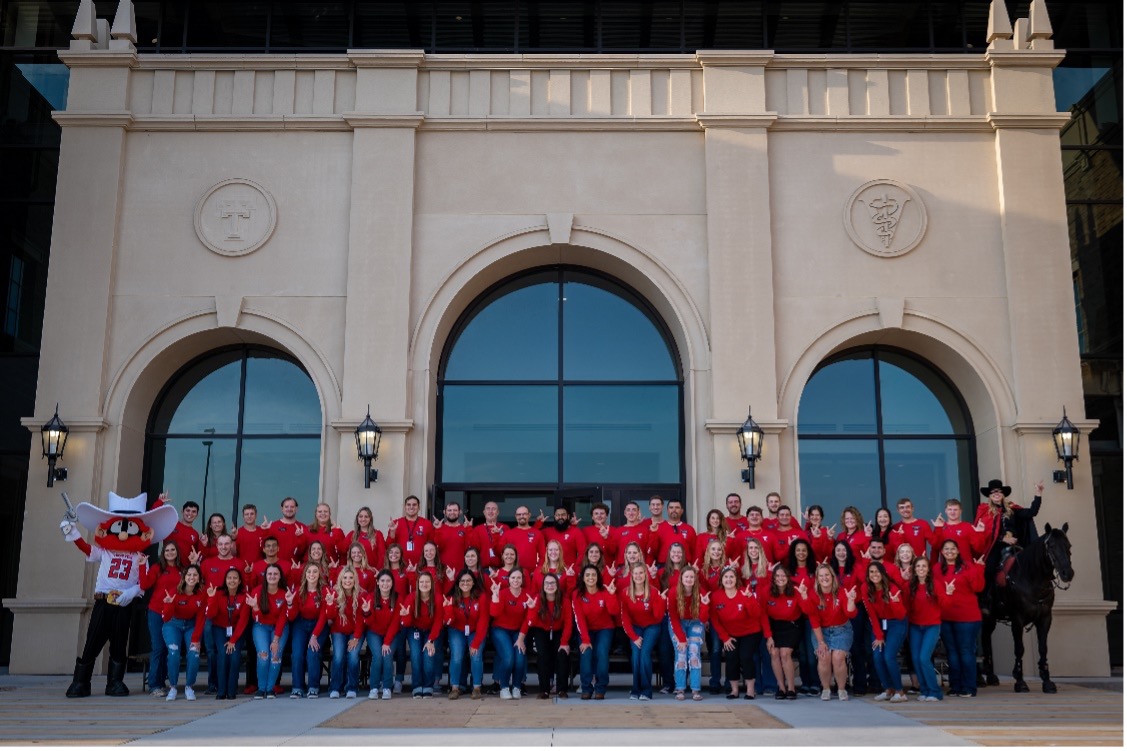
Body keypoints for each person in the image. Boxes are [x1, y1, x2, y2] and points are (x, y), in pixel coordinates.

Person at [935, 541, 986, 698]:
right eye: (946, 549)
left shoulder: (968, 566)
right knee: (952, 653)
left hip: (967, 617)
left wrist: (979, 569)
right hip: (945, 617)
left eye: (952, 549)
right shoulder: (936, 569)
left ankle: (969, 687)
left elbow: (979, 587)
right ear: (942, 552)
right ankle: (955, 686)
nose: (949, 552)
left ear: (957, 551)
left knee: (965, 651)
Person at [711, 566, 770, 700]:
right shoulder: (716, 596)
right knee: (731, 657)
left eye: (732, 576)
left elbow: (756, 614)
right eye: (726, 577)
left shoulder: (745, 592)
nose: (729, 579)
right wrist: (725, 638)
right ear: (721, 579)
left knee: (745, 656)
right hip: (730, 634)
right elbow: (715, 620)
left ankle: (750, 690)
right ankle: (734, 690)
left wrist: (749, 599)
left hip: (750, 632)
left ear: (736, 579)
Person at [800, 563, 857, 701]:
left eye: (827, 575)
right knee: (823, 656)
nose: (824, 578)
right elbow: (813, 618)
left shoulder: (842, 591)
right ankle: (826, 688)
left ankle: (841, 689)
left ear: (832, 577)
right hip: (821, 631)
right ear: (817, 579)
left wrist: (851, 600)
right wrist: (821, 642)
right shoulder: (813, 595)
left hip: (841, 629)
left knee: (838, 657)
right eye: (821, 576)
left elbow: (851, 614)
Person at [976, 479, 1044, 587]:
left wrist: (1038, 494)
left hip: (1014, 543)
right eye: (993, 492)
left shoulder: (1012, 509)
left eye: (999, 491)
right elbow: (985, 531)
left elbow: (1032, 512)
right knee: (989, 569)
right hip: (995, 545)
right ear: (989, 496)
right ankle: (988, 598)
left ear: (1003, 494)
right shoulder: (984, 510)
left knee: (1031, 563)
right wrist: (1002, 539)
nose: (996, 494)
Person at [520, 572, 573, 700]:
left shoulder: (564, 600)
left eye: (553, 583)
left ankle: (562, 689)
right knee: (543, 656)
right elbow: (531, 622)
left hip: (559, 631)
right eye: (547, 583)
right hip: (541, 630)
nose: (550, 586)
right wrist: (532, 609)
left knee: (562, 654)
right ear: (543, 586)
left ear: (557, 585)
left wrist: (564, 642)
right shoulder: (538, 599)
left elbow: (568, 623)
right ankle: (544, 690)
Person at [242, 562, 290, 699]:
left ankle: (269, 689)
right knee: (263, 656)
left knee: (275, 656)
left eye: (275, 574)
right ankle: (261, 688)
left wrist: (276, 640)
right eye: (269, 573)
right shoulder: (257, 591)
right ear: (265, 576)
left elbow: (282, 619)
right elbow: (257, 618)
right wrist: (256, 608)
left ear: (280, 576)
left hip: (279, 628)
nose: (272, 576)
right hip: (261, 626)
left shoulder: (284, 593)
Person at [316, 567, 365, 699]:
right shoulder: (334, 594)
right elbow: (330, 617)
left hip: (355, 632)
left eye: (350, 578)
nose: (347, 580)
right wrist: (331, 603)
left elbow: (360, 621)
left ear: (355, 580)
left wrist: (356, 638)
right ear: (340, 580)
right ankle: (336, 687)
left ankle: (352, 687)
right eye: (345, 578)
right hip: (338, 631)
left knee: (353, 656)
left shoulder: (361, 595)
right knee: (338, 656)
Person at [140, 540, 182, 696]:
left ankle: (162, 681)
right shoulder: (158, 568)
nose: (170, 553)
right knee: (158, 648)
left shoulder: (182, 571)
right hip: (156, 612)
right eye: (167, 550)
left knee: (168, 648)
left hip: (173, 614)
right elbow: (144, 585)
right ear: (163, 553)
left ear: (177, 552)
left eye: (173, 550)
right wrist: (141, 565)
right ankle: (154, 685)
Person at [618, 562, 665, 700]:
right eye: (635, 573)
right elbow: (624, 619)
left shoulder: (654, 591)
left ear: (646, 575)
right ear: (631, 575)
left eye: (641, 573)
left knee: (645, 653)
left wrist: (660, 602)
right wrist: (634, 637)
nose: (638, 576)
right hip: (635, 627)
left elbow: (657, 617)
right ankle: (635, 689)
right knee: (635, 654)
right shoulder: (625, 593)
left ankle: (646, 690)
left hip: (652, 626)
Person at [863, 562, 908, 703]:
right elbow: (872, 615)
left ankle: (900, 692)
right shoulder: (866, 588)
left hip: (896, 623)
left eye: (877, 572)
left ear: (883, 573)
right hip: (880, 625)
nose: (874, 575)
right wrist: (879, 636)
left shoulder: (892, 588)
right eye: (871, 572)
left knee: (889, 656)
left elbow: (901, 615)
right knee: (877, 656)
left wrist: (894, 602)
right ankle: (888, 689)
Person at [573, 564, 620, 700]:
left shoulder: (604, 590)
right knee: (586, 652)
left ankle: (601, 688)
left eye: (593, 575)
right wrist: (586, 640)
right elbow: (579, 618)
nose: (591, 577)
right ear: (582, 578)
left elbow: (614, 611)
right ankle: (586, 688)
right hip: (585, 629)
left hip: (604, 628)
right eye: (587, 575)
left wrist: (611, 595)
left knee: (601, 653)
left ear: (598, 577)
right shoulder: (577, 594)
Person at [161, 564, 207, 701]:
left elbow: (201, 619)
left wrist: (196, 639)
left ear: (199, 578)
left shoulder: (201, 595)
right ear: (184, 577)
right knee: (174, 653)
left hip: (191, 626)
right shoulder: (173, 591)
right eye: (189, 575)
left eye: (195, 575)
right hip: (173, 624)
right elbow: (166, 617)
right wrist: (169, 604)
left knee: (194, 653)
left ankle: (189, 686)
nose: (192, 577)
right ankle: (173, 687)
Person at [444, 569, 489, 700]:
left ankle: (476, 687)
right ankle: (455, 687)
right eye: (462, 581)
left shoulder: (481, 596)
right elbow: (449, 621)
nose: (465, 583)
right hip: (456, 630)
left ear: (473, 583)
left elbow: (483, 620)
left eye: (468, 580)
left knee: (476, 655)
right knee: (457, 656)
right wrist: (447, 608)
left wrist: (475, 643)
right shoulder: (452, 597)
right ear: (458, 583)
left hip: (475, 630)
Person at [206, 566, 249, 700]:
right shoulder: (218, 593)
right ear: (225, 580)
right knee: (223, 655)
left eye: (235, 578)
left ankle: (231, 690)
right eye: (229, 578)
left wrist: (233, 640)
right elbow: (211, 614)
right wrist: (211, 598)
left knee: (235, 656)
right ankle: (221, 690)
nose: (232, 580)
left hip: (236, 631)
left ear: (240, 581)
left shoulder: (244, 597)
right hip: (219, 628)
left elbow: (243, 621)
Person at [287, 562, 329, 698]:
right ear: (305, 574)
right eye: (309, 571)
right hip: (300, 624)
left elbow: (324, 615)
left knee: (313, 653)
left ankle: (313, 686)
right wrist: (289, 603)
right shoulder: (299, 591)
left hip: (319, 625)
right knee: (297, 655)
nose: (312, 574)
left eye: (315, 572)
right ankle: (297, 686)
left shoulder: (324, 591)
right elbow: (292, 616)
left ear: (319, 574)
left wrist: (315, 635)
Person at [667, 566, 709, 701]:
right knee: (681, 653)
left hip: (695, 622)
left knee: (694, 653)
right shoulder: (673, 592)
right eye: (686, 577)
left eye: (692, 577)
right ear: (681, 579)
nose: (689, 579)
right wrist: (681, 638)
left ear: (695, 579)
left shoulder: (701, 592)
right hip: (678, 622)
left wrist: (705, 604)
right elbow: (673, 617)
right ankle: (680, 688)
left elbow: (703, 618)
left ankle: (695, 689)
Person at [906, 556, 943, 701]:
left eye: (924, 566)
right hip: (915, 627)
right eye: (918, 566)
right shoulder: (911, 586)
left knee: (923, 658)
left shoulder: (935, 584)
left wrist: (948, 593)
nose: (921, 569)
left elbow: (944, 604)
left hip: (932, 626)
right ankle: (925, 690)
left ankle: (935, 691)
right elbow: (907, 608)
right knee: (915, 658)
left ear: (928, 570)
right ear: (914, 570)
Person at [402, 569, 443, 698]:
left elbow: (438, 621)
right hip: (415, 630)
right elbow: (407, 623)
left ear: (431, 584)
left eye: (427, 582)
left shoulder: (437, 598)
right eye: (422, 582)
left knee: (428, 655)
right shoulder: (411, 597)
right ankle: (417, 686)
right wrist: (405, 616)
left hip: (431, 631)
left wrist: (430, 640)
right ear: (418, 584)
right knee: (415, 656)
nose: (424, 584)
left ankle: (428, 686)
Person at [489, 567, 528, 699]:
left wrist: (521, 638)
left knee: (520, 656)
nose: (516, 580)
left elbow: (528, 619)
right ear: (508, 580)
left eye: (518, 578)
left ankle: (517, 686)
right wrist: (495, 595)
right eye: (513, 578)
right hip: (500, 629)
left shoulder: (526, 595)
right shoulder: (503, 593)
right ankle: (504, 687)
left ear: (522, 580)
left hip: (518, 631)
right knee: (508, 657)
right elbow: (494, 613)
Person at [764, 566, 803, 700]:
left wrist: (804, 596)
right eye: (778, 576)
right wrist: (768, 636)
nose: (780, 579)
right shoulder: (767, 592)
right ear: (773, 578)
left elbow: (808, 611)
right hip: (773, 626)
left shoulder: (795, 591)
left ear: (788, 578)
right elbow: (762, 615)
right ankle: (781, 687)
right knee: (774, 653)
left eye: (783, 576)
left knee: (785, 654)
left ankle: (791, 688)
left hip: (791, 626)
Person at [362, 569, 401, 700]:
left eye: (388, 581)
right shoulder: (371, 597)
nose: (385, 584)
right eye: (382, 581)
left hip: (391, 634)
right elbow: (369, 622)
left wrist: (387, 642)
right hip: (374, 633)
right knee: (378, 656)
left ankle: (386, 687)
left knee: (387, 655)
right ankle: (374, 687)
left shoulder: (397, 598)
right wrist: (367, 612)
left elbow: (395, 623)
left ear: (392, 583)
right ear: (377, 582)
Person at [388, 495, 434, 568]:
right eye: (408, 505)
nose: (411, 507)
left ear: (419, 507)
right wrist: (392, 531)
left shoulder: (427, 524)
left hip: (421, 566)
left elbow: (432, 546)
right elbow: (388, 546)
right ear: (405, 507)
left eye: (414, 505)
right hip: (400, 566)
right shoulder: (396, 523)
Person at [652, 499, 697, 568]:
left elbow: (694, 551)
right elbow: (653, 550)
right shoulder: (659, 528)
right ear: (667, 510)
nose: (674, 510)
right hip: (663, 567)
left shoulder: (689, 529)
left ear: (682, 511)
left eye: (677, 507)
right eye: (671, 507)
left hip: (684, 568)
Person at [468, 501, 508, 570]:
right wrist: (468, 530)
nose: (490, 511)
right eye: (488, 509)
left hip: (502, 569)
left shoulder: (505, 528)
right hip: (483, 569)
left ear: (498, 512)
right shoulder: (477, 529)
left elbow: (507, 550)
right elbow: (474, 550)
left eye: (493, 509)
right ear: (484, 512)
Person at [433, 502, 472, 573]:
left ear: (460, 512)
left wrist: (469, 529)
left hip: (460, 571)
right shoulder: (439, 528)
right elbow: (436, 548)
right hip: (442, 571)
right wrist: (437, 530)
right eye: (449, 510)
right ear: (444, 512)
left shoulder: (464, 528)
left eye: (455, 510)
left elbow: (469, 549)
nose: (452, 512)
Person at [268, 497, 308, 564]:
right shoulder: (273, 526)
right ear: (281, 509)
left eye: (292, 507)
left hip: (296, 568)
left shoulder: (303, 528)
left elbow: (305, 551)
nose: (289, 509)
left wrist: (301, 537)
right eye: (286, 507)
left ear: (296, 509)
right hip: (276, 569)